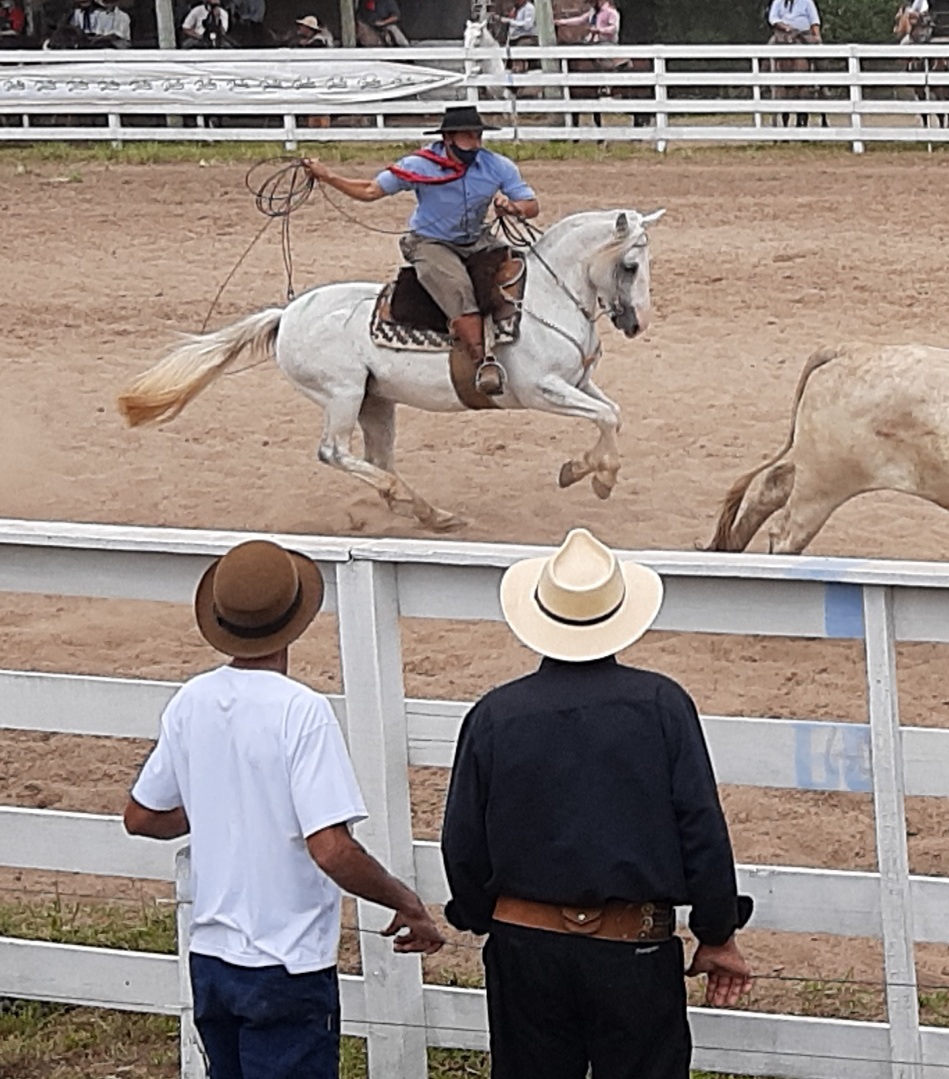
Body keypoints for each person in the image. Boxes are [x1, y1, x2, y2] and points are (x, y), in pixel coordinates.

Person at [122, 539, 445, 1079]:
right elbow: (331, 849)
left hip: (213, 958)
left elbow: (141, 816)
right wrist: (404, 900)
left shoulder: (191, 701)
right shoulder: (302, 712)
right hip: (287, 964)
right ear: (293, 621)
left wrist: (217, 804)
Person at [441, 528, 754, 1079]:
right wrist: (716, 932)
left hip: (525, 944)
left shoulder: (493, 715)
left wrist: (477, 913)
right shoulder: (662, 704)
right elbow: (701, 828)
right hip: (631, 946)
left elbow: (462, 841)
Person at [304, 105, 539, 399]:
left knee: (519, 266)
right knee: (457, 289)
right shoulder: (419, 165)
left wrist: (514, 207)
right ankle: (483, 362)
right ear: (448, 138)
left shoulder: (496, 166)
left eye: (478, 135)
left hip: (477, 238)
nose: (476, 142)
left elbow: (531, 205)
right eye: (468, 135)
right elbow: (370, 190)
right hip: (431, 242)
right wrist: (327, 176)